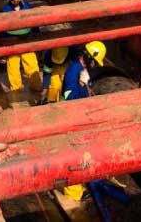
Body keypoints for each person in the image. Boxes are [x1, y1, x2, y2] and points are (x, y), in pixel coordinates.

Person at [61, 41, 106, 201]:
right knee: (74, 156)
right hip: (71, 120)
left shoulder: (83, 69)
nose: (94, 64)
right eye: (94, 60)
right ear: (88, 57)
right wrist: (82, 84)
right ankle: (73, 195)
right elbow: (69, 100)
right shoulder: (74, 72)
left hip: (81, 118)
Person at [1, 0, 42, 93]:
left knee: (31, 64)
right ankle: (16, 90)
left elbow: (33, 22)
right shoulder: (5, 11)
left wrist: (36, 36)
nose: (15, 0)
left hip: (26, 40)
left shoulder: (27, 6)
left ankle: (36, 87)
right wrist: (3, 43)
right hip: (12, 42)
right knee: (13, 67)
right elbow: (2, 29)